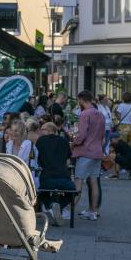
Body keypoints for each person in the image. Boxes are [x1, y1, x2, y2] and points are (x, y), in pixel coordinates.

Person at [71, 90, 105, 221]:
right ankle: (93, 211)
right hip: (97, 151)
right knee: (94, 181)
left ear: (81, 99)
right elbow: (102, 135)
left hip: (86, 152)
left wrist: (73, 142)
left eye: (78, 100)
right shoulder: (100, 114)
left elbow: (81, 135)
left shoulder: (85, 114)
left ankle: (69, 210)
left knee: (78, 181)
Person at [36, 122, 73, 226]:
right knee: (72, 193)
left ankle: (51, 205)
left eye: (42, 130)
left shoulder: (40, 141)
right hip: (64, 178)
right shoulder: (64, 141)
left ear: (49, 130)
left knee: (42, 193)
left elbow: (37, 160)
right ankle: (59, 206)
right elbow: (68, 160)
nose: (40, 132)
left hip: (47, 177)